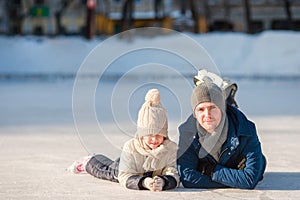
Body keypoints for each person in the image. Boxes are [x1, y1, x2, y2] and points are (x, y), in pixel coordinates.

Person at [68, 89, 179, 191]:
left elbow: (172, 171)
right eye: (150, 134)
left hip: (143, 172)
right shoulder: (131, 147)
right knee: (111, 172)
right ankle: (89, 161)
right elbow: (125, 176)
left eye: (159, 135)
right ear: (141, 135)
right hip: (130, 168)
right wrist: (143, 183)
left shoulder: (170, 148)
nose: (154, 139)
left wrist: (164, 181)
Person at [177, 73, 266, 189]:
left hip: (235, 130)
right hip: (231, 168)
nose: (207, 115)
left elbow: (249, 179)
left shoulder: (246, 130)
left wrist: (209, 170)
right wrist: (235, 179)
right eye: (201, 109)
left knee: (260, 164)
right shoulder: (187, 133)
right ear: (195, 113)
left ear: (222, 109)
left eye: (212, 108)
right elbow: (188, 178)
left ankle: (227, 98)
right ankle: (222, 94)